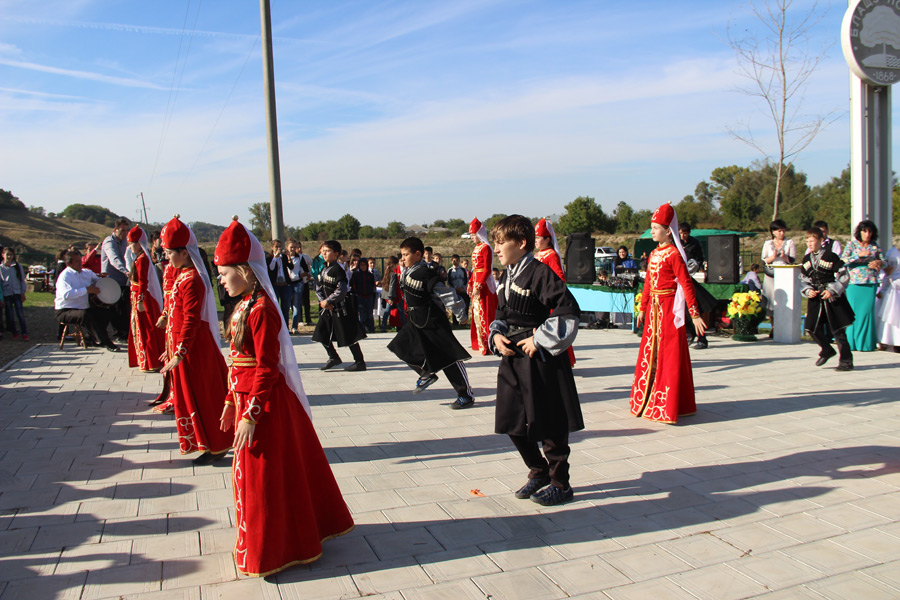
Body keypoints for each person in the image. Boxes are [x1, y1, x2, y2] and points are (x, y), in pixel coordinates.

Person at [214, 217, 354, 577]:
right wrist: (231, 402)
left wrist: (251, 412)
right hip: (247, 400)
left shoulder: (261, 310)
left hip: (267, 405)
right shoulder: (243, 305)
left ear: (245, 270)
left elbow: (266, 368)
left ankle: (275, 547)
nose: (221, 279)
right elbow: (236, 362)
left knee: (266, 476)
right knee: (255, 475)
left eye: (225, 272)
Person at [488, 215, 582, 506]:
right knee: (511, 420)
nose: (497, 249)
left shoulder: (540, 273)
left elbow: (568, 309)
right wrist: (496, 336)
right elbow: (503, 314)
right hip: (513, 357)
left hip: (540, 359)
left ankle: (560, 482)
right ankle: (538, 471)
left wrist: (539, 338)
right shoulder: (508, 275)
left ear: (522, 243)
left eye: (502, 243)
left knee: (550, 421)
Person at [159, 215, 232, 464]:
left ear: (185, 252)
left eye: (170, 253)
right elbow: (176, 319)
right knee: (193, 397)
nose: (167, 257)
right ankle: (208, 442)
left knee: (206, 396)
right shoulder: (182, 276)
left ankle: (218, 443)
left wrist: (180, 351)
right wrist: (170, 349)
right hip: (185, 347)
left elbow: (190, 319)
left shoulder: (192, 280)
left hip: (194, 349)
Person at [630, 203, 705, 424]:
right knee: (651, 354)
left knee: (669, 355)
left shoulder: (673, 254)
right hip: (653, 310)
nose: (652, 231)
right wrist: (642, 308)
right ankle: (650, 397)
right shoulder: (653, 253)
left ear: (667, 230)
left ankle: (666, 403)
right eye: (652, 227)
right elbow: (647, 284)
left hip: (669, 309)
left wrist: (695, 313)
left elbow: (686, 283)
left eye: (655, 228)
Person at [386, 237, 474, 409]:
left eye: (406, 254)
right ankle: (427, 374)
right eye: (401, 255)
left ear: (418, 254)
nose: (402, 258)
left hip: (432, 321)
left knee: (449, 358)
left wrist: (461, 313)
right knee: (401, 345)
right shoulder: (407, 270)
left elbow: (446, 294)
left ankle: (465, 395)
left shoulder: (427, 273)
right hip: (415, 320)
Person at [800, 227, 855, 371]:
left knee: (838, 330)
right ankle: (827, 349)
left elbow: (844, 275)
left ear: (820, 241)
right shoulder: (806, 259)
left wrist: (832, 290)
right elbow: (804, 279)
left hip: (831, 298)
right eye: (807, 241)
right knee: (811, 328)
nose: (809, 244)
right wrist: (808, 290)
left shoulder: (831, 257)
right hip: (816, 298)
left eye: (812, 241)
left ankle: (846, 361)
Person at [312, 240, 367, 371]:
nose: (324, 253)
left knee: (348, 335)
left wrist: (329, 301)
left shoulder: (338, 269)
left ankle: (359, 362)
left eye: (327, 251)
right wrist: (323, 302)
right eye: (323, 251)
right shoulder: (323, 268)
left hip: (341, 308)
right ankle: (333, 357)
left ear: (336, 253)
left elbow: (341, 290)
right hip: (327, 309)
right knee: (321, 332)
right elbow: (318, 287)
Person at [54, 250, 118, 351]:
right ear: (68, 263)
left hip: (83, 308)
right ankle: (105, 341)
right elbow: (66, 294)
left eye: (80, 260)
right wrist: (86, 290)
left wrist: (102, 279)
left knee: (106, 312)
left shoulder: (86, 273)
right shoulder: (65, 276)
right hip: (65, 310)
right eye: (76, 262)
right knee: (84, 315)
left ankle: (91, 337)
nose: (80, 263)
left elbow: (97, 280)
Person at [534, 217, 576, 366]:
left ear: (547, 239)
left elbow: (559, 277)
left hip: (547, 297)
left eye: (538, 238)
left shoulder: (551, 255)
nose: (536, 241)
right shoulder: (538, 255)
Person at [125, 227, 165, 372]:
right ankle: (147, 360)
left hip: (142, 298)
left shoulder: (142, 259)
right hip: (138, 295)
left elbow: (143, 281)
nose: (130, 247)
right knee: (142, 328)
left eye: (132, 243)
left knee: (146, 328)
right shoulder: (139, 257)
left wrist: (140, 300)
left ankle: (151, 361)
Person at [841, 220, 883, 352]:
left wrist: (878, 262)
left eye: (870, 231)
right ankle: (851, 343)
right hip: (854, 283)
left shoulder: (874, 246)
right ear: (859, 232)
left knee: (866, 313)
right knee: (852, 313)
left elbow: (885, 261)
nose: (867, 234)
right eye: (865, 231)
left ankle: (865, 344)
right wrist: (858, 255)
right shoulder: (851, 245)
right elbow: (843, 260)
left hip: (870, 283)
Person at [468, 217, 498, 355]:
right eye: (471, 235)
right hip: (476, 279)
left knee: (484, 312)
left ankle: (487, 342)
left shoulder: (486, 247)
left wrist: (478, 285)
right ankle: (479, 341)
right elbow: (475, 268)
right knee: (476, 313)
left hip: (483, 284)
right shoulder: (476, 248)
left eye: (473, 235)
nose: (472, 238)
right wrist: (470, 283)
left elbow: (486, 269)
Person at [760, 219, 796, 336]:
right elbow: (763, 260)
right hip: (771, 274)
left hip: (784, 274)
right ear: (773, 232)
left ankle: (783, 325)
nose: (782, 233)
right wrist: (773, 257)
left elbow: (792, 260)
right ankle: (773, 327)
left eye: (783, 231)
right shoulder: (767, 243)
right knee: (771, 300)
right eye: (779, 231)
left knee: (784, 300)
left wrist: (784, 256)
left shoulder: (790, 242)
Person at [101, 218, 133, 340]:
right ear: (115, 230)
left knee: (124, 307)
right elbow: (114, 259)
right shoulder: (109, 242)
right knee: (114, 308)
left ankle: (124, 331)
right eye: (122, 230)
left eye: (127, 230)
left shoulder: (125, 242)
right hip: (111, 280)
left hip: (123, 280)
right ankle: (117, 333)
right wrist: (126, 271)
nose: (125, 233)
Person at [876, 245, 900, 351]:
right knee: (891, 314)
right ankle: (887, 341)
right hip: (892, 285)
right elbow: (886, 269)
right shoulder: (893, 251)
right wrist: (882, 287)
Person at [1, 248, 28, 341]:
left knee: (20, 313)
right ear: (3, 255)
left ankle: (24, 332)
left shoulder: (17, 266)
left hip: (17, 293)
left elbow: (22, 280)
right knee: (10, 314)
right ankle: (14, 332)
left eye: (11, 255)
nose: (9, 257)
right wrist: (1, 297)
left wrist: (23, 292)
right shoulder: (1, 268)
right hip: (7, 293)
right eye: (7, 255)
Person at [268, 239, 293, 326]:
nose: (278, 248)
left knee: (285, 307)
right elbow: (270, 268)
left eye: (280, 246)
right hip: (275, 285)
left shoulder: (284, 257)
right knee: (275, 306)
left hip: (285, 285)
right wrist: (275, 258)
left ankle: (286, 326)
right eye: (276, 247)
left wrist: (289, 257)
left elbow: (291, 267)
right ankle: (276, 326)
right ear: (272, 247)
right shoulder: (269, 258)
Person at [349, 257, 377, 334]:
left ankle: (371, 329)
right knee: (361, 314)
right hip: (360, 296)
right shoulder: (356, 275)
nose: (363, 267)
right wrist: (356, 292)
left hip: (369, 297)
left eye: (364, 265)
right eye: (361, 265)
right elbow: (353, 285)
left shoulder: (370, 275)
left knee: (369, 314)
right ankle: (362, 330)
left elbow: (372, 285)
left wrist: (371, 293)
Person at [380, 255, 405, 331]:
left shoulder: (386, 272)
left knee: (387, 312)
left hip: (389, 296)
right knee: (401, 312)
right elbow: (392, 286)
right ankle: (404, 326)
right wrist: (391, 297)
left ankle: (383, 326)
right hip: (395, 296)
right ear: (393, 265)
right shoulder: (393, 274)